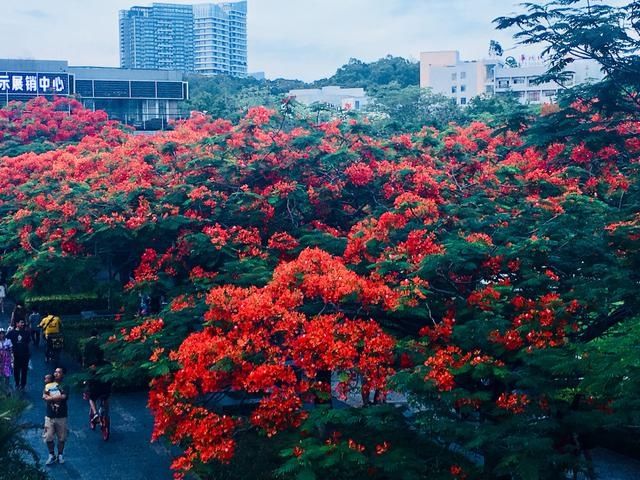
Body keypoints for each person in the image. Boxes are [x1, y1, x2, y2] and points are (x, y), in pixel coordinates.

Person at [83, 330, 110, 424]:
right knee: (105, 397)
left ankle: (95, 414)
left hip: (94, 380)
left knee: (91, 397)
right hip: (105, 383)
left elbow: (85, 358)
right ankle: (106, 413)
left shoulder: (88, 344)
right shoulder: (102, 343)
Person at [42, 367, 68, 465]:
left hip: (61, 416)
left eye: (59, 372)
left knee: (62, 437)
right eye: (55, 372)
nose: (56, 374)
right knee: (48, 436)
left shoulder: (64, 386)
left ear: (63, 375)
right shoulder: (48, 385)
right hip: (49, 415)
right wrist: (54, 398)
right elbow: (44, 396)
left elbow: (64, 396)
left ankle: (60, 454)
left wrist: (50, 398)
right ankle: (51, 454)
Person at [6, 319, 30, 390]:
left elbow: (28, 343)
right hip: (16, 355)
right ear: (17, 323)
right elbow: (5, 339)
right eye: (21, 322)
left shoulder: (26, 333)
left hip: (25, 355)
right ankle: (17, 383)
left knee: (24, 370)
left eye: (23, 322)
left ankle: (23, 384)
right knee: (16, 370)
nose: (23, 324)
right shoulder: (11, 333)